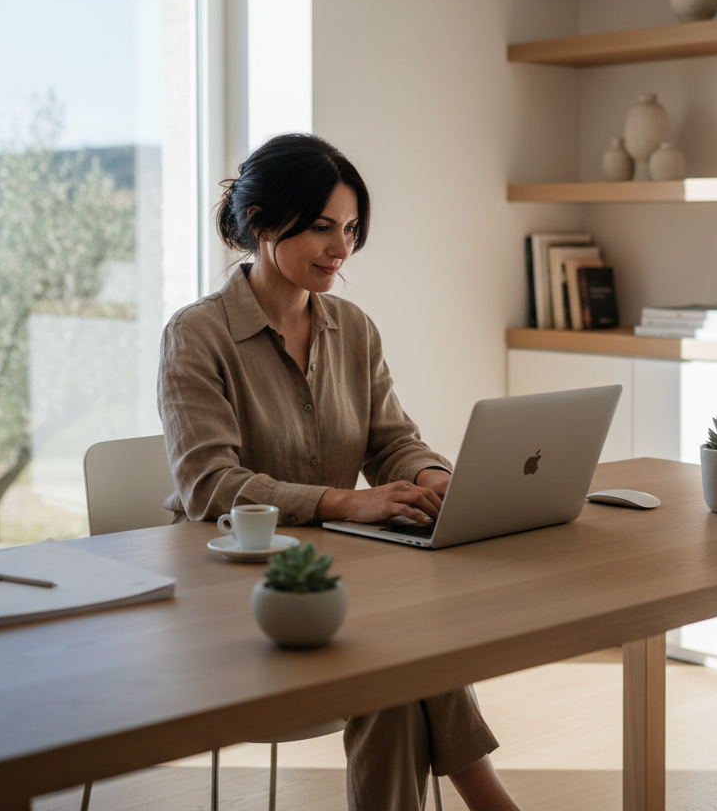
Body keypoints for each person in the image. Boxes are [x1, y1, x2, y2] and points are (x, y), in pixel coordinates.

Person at [158, 134, 520, 811]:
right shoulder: (196, 335)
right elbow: (208, 487)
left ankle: (486, 797)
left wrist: (436, 477)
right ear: (262, 221)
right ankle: (488, 796)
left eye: (350, 229)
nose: (341, 247)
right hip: (228, 583)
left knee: (390, 660)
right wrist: (345, 504)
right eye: (322, 226)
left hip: (332, 575)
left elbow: (392, 442)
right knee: (394, 649)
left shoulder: (353, 328)